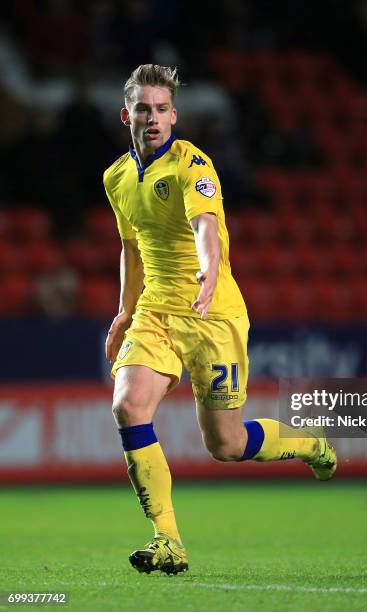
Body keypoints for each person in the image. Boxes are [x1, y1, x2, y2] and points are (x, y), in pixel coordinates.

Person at [103, 64, 337, 576]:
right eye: (144, 108)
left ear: (174, 116)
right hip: (156, 311)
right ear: (128, 116)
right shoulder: (116, 177)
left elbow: (205, 225)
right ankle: (168, 540)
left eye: (163, 109)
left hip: (213, 314)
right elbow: (130, 246)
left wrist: (210, 272)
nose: (154, 117)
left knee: (226, 445)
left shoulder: (194, 165)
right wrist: (125, 309)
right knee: (128, 406)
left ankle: (310, 443)